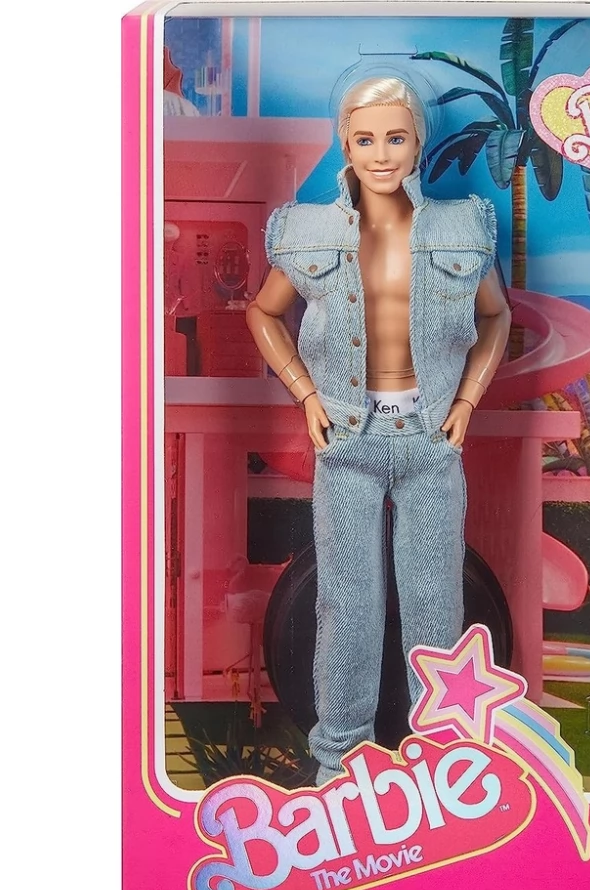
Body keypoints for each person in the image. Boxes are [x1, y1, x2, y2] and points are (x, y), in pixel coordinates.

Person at [246, 77, 511, 784]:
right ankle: (340, 763)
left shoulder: (460, 227)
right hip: (347, 440)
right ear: (345, 144)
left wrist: (467, 400)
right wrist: (305, 393)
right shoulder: (309, 231)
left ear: (419, 141)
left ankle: (444, 758)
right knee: (346, 605)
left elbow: (496, 317)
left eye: (396, 137)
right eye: (365, 139)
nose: (382, 153)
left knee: (435, 604)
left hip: (430, 437)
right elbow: (263, 312)